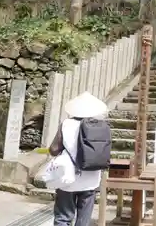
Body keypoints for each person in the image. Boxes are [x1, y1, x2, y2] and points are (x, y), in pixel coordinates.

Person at [49, 92, 108, 226]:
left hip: (67, 178)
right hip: (91, 178)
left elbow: (53, 150)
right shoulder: (101, 127)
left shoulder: (67, 124)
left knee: (63, 217)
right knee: (83, 220)